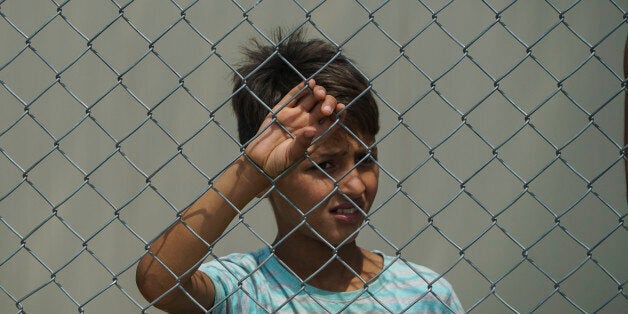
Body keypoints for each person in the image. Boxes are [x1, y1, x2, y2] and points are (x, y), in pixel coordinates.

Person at [135, 28, 463, 313]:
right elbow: (158, 282)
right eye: (324, 165)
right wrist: (250, 172)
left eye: (365, 160)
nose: (354, 186)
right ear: (268, 178)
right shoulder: (245, 288)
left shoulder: (423, 294)